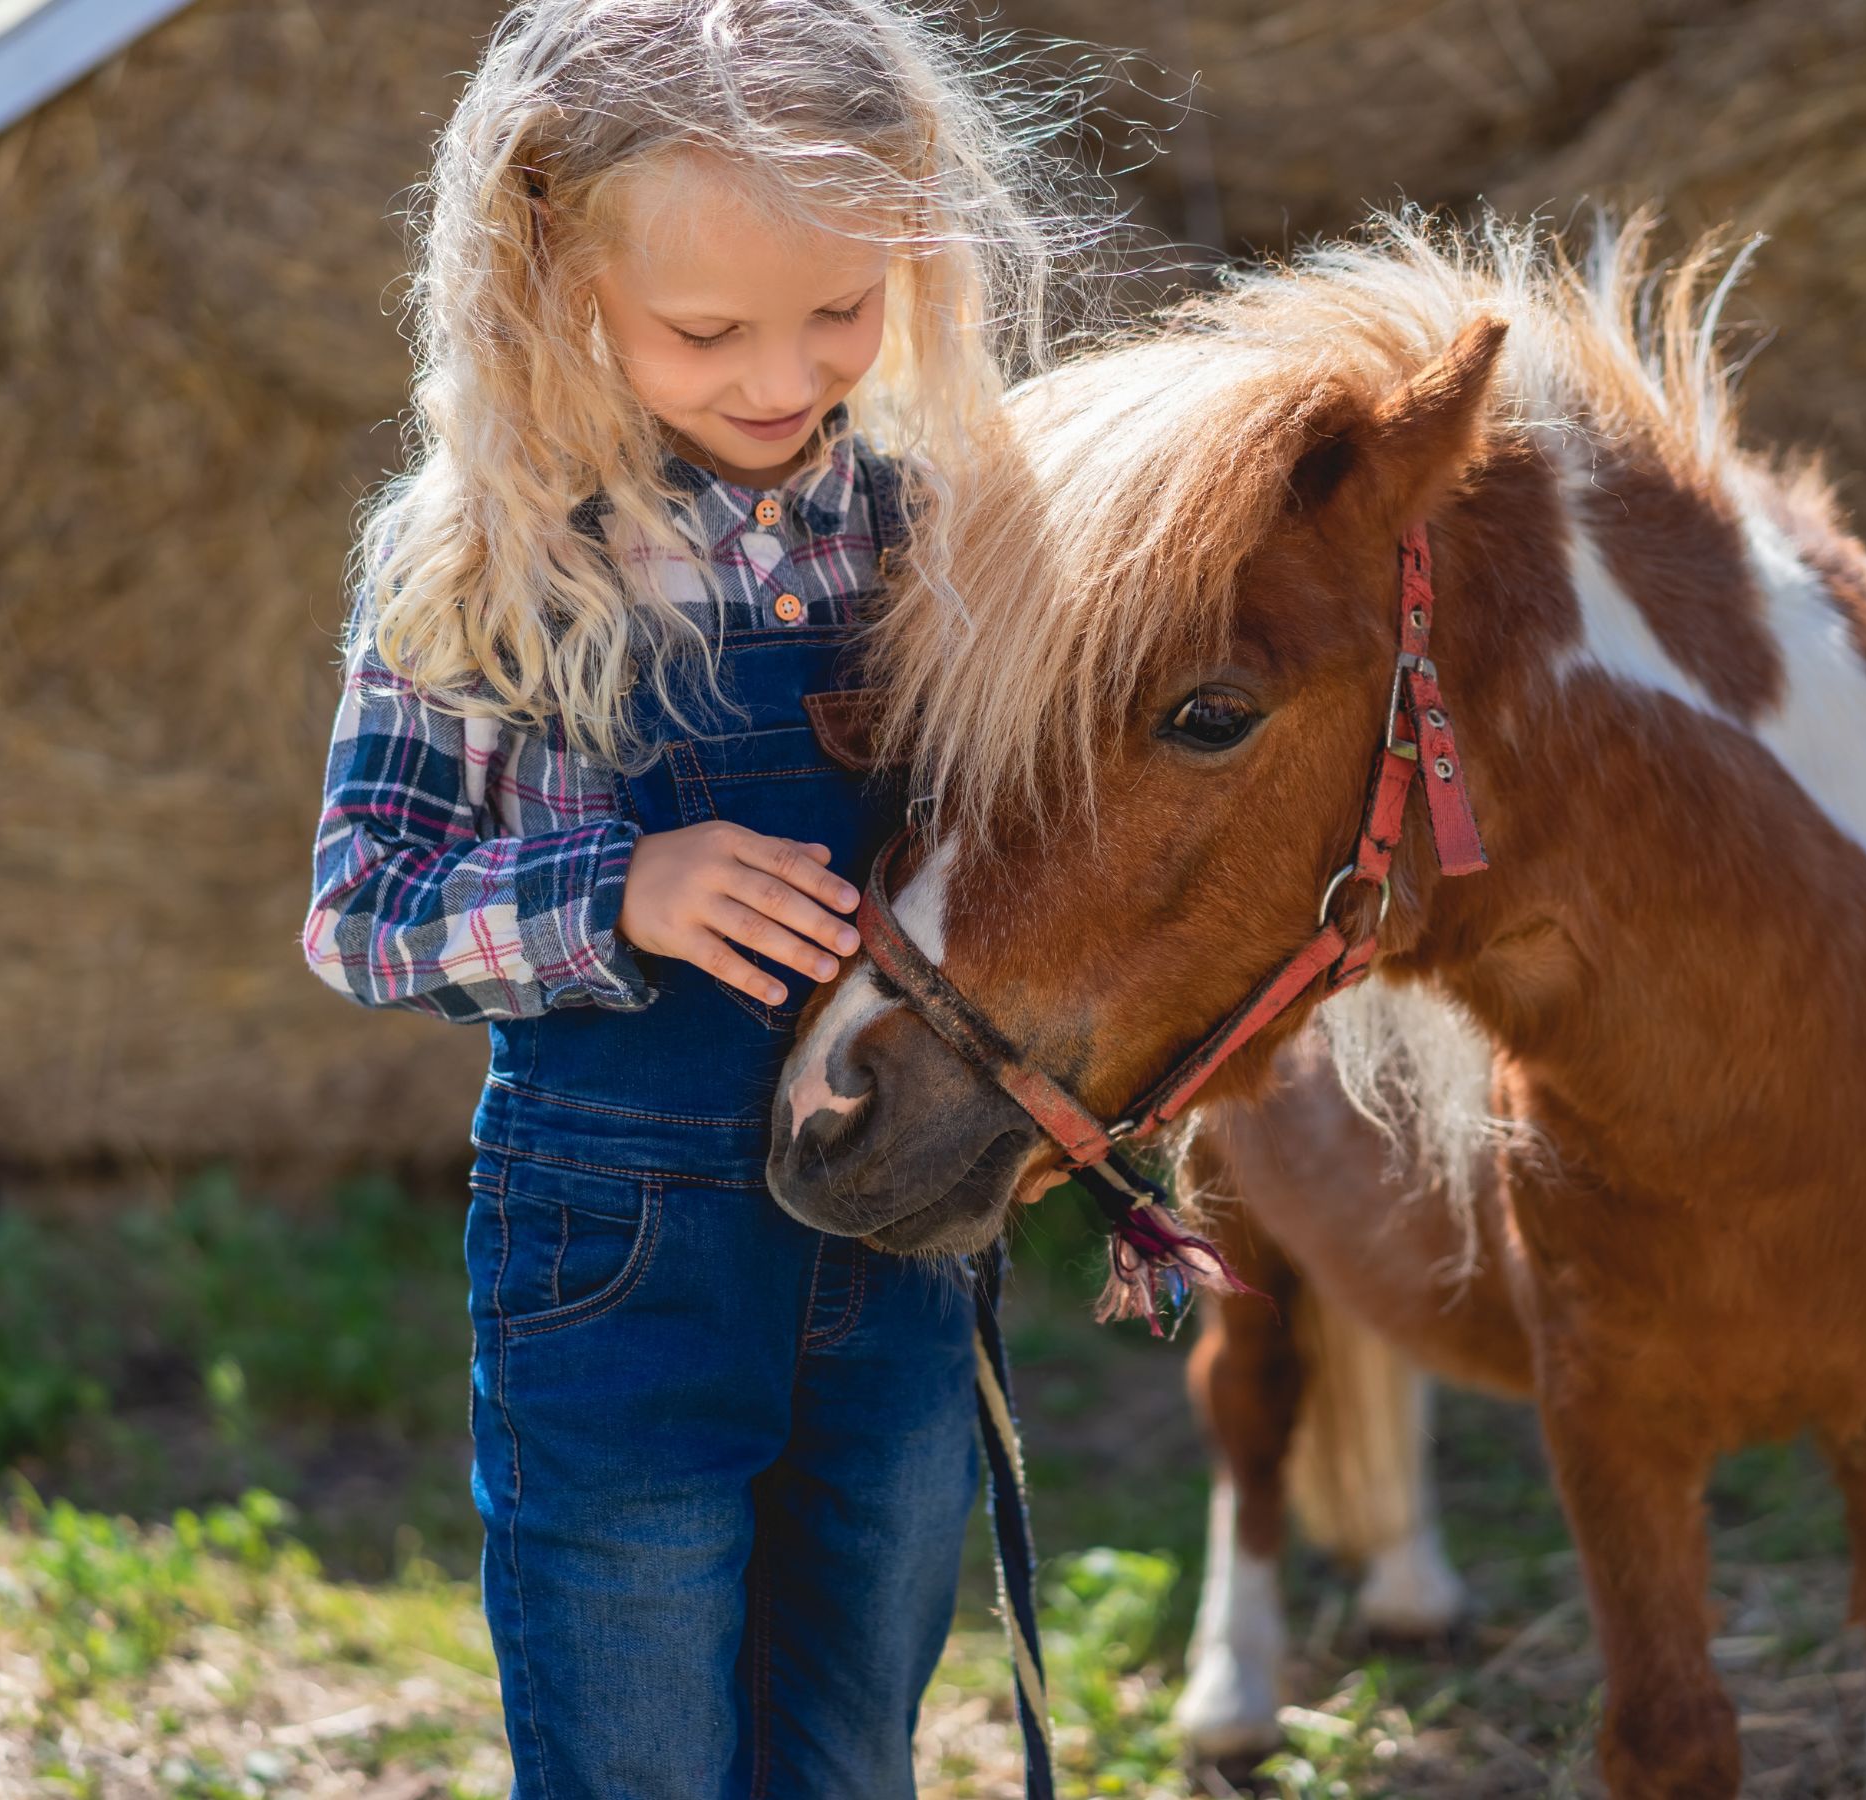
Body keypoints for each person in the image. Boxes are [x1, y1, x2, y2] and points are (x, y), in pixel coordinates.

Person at [299, 4, 1077, 1794]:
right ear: (552, 275)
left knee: (848, 1747)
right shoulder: (490, 552)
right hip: (616, 1257)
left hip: (890, 1242)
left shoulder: (934, 529)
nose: (782, 374)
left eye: (841, 311)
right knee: (640, 1748)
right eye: (708, 330)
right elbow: (361, 906)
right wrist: (619, 887)